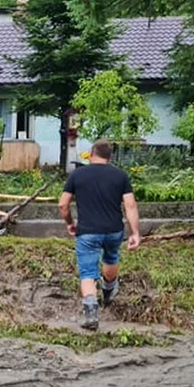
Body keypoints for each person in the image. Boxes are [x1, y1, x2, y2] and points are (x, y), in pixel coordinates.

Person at [58, 139, 141, 330]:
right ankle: (108, 291)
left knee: (87, 273)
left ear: (91, 153)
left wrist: (70, 223)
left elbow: (63, 204)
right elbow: (130, 205)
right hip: (114, 230)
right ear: (109, 156)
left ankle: (91, 313)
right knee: (111, 258)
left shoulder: (78, 175)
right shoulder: (120, 175)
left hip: (87, 231)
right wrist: (135, 233)